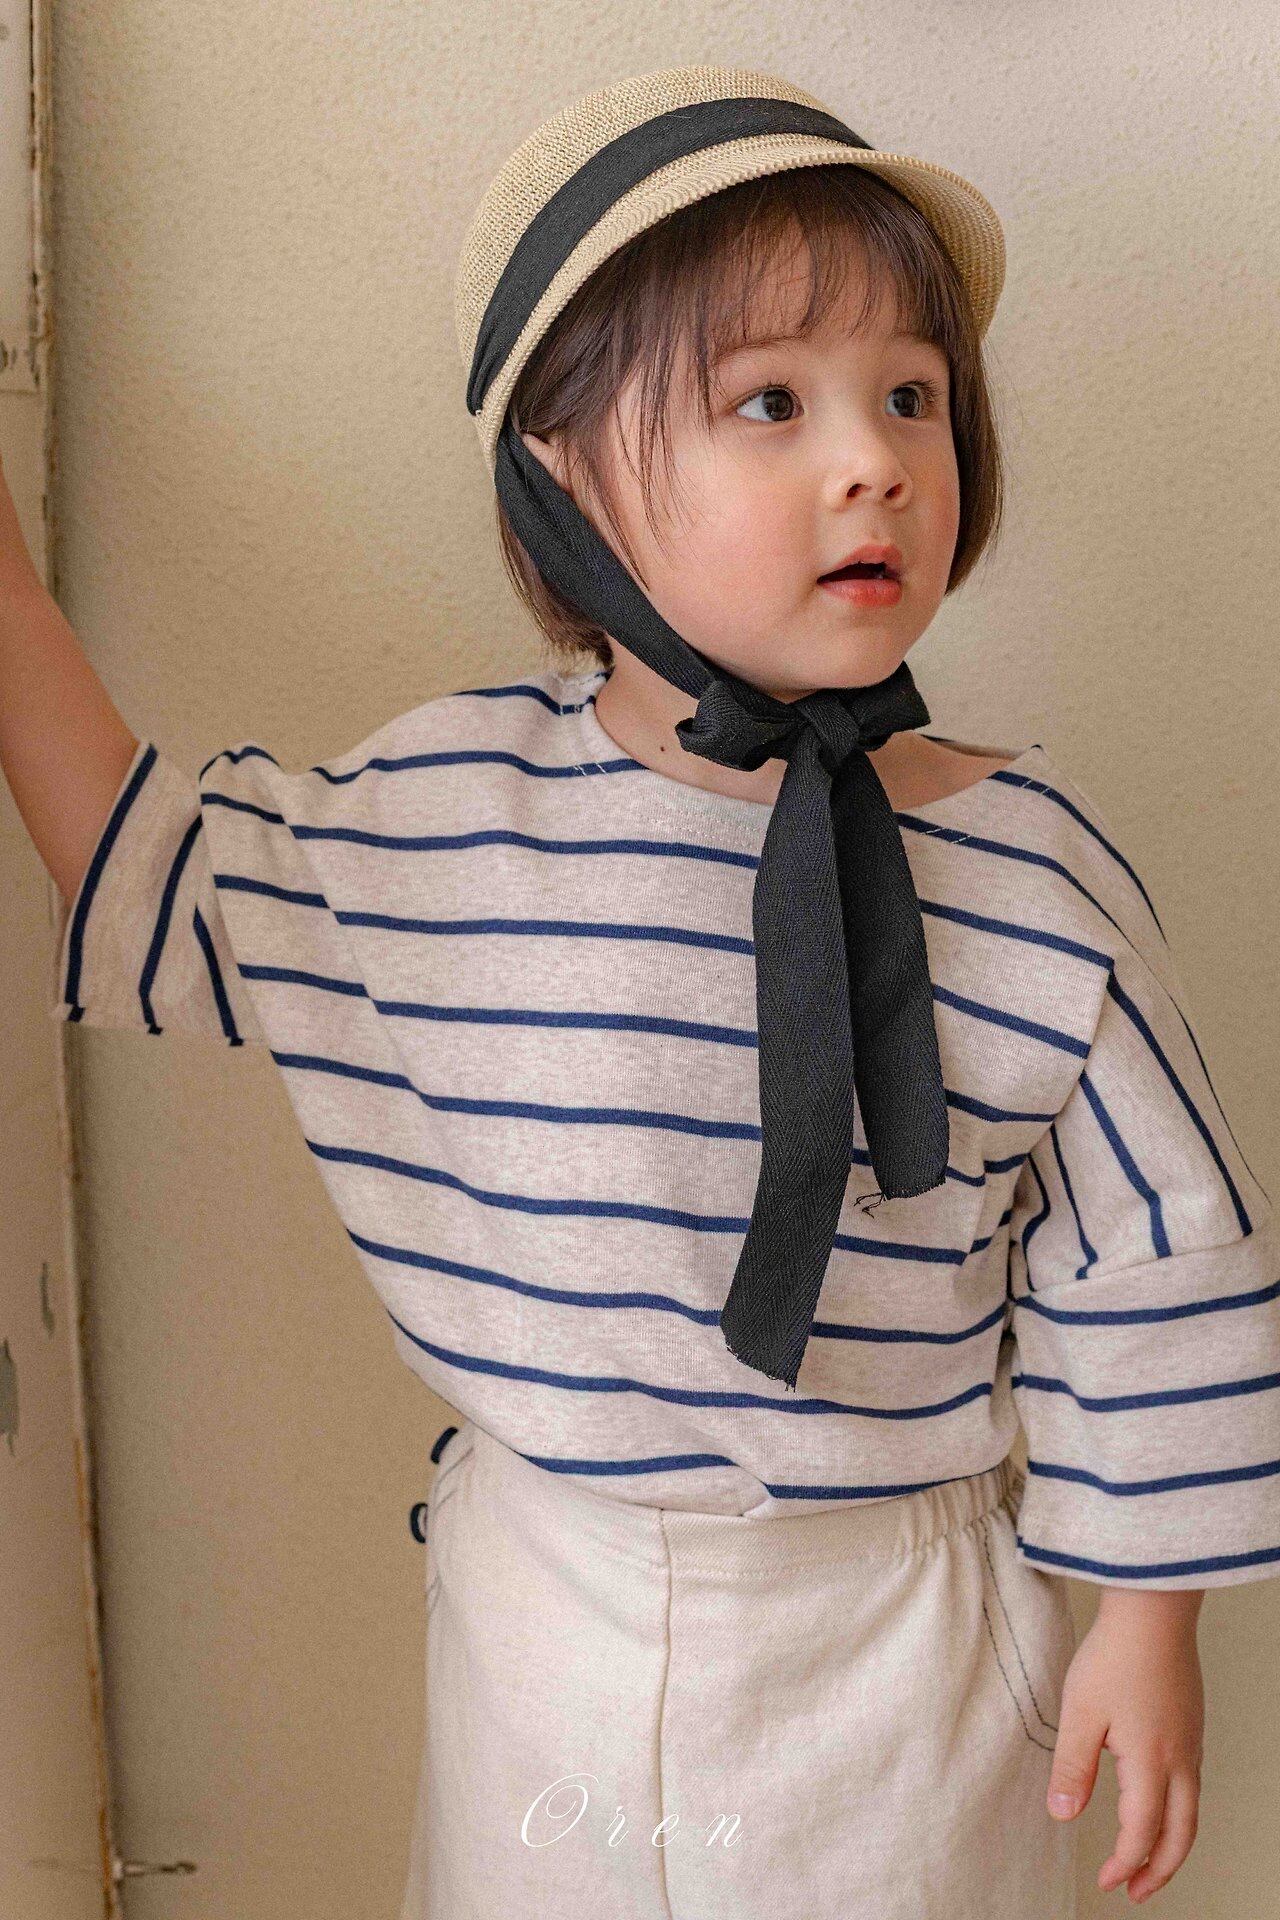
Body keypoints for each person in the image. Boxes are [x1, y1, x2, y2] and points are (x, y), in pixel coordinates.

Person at [3, 61, 1276, 1920]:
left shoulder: (1032, 867)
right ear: (565, 477)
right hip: (554, 1617)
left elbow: (1158, 1255)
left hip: (900, 1642)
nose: (875, 459)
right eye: (771, 401)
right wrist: (13, 611)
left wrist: (1147, 1622)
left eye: (911, 395)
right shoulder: (451, 818)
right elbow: (171, 884)